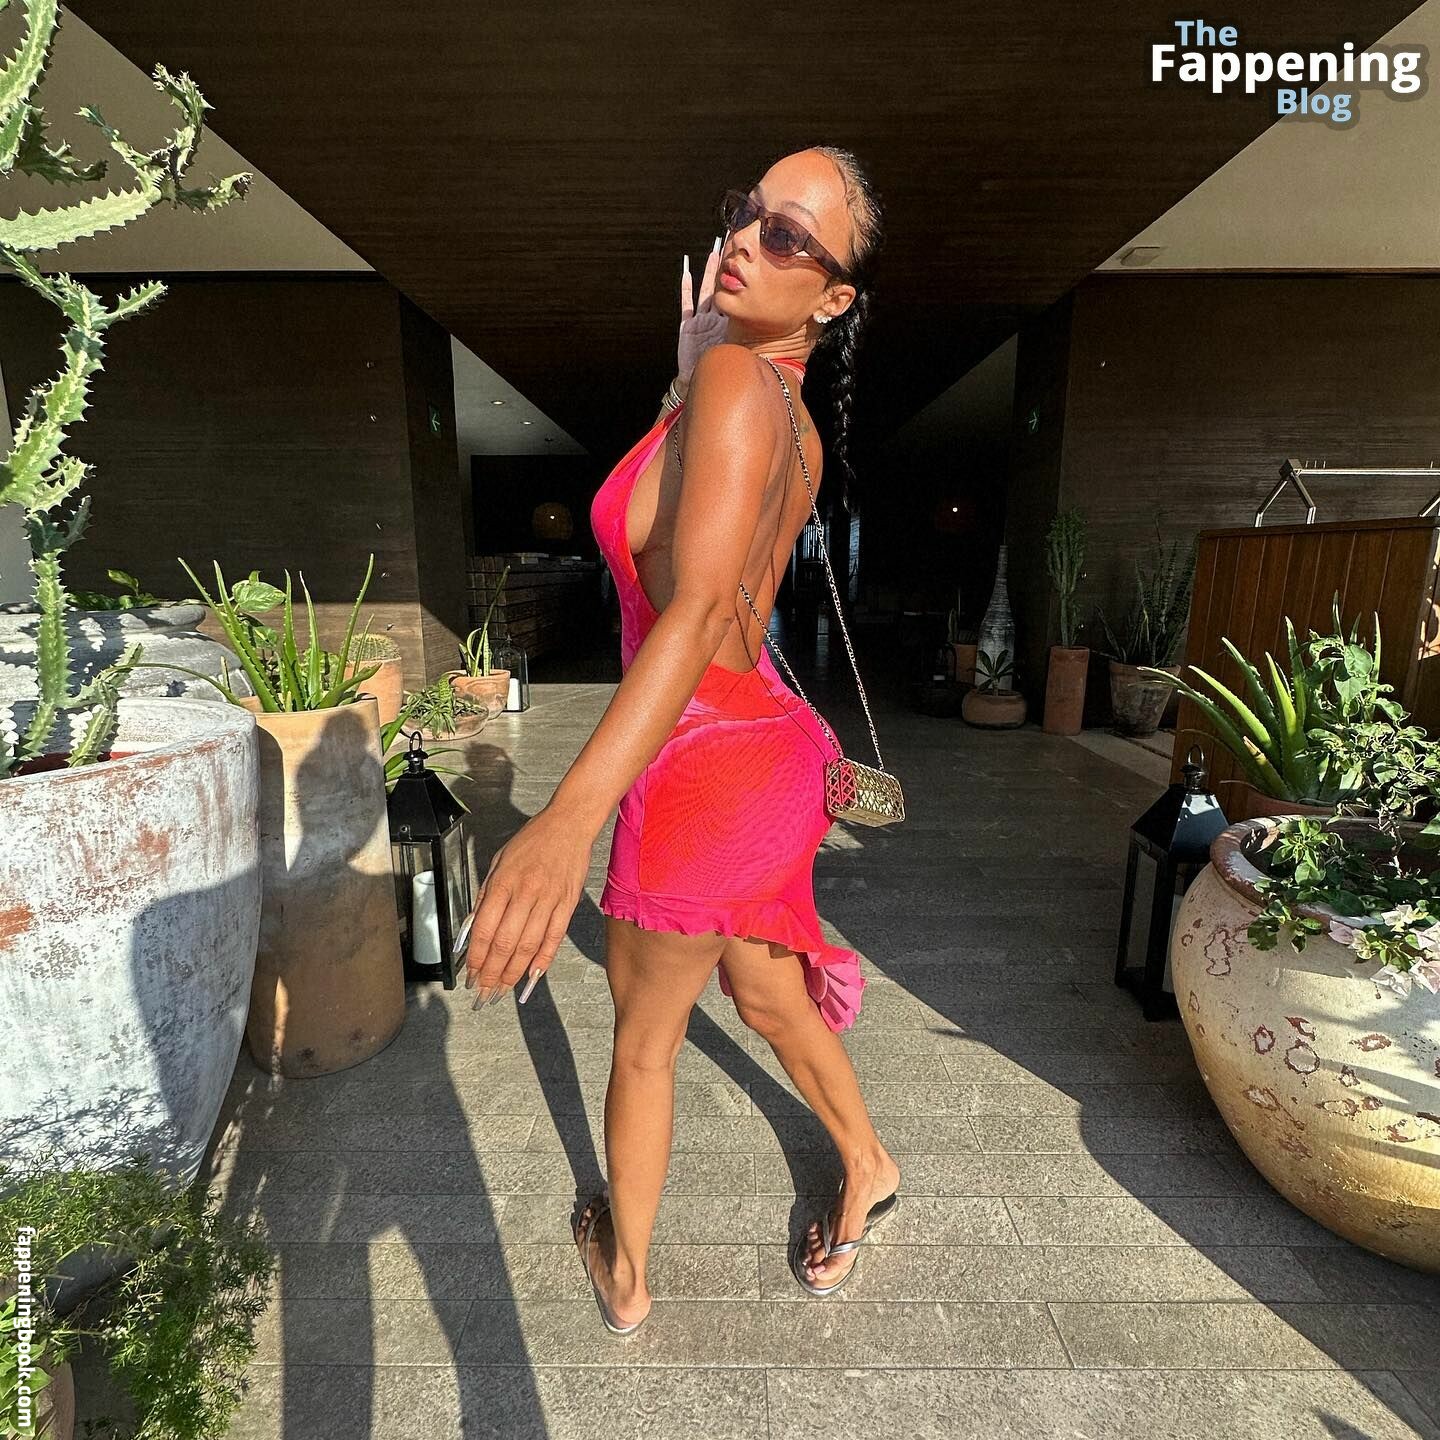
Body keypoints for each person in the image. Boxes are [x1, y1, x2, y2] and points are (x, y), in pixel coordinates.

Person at [459, 145, 900, 1334]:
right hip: (764, 756)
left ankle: (627, 1275)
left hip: (701, 763)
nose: (749, 239)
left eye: (790, 235)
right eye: (748, 214)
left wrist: (567, 820)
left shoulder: (739, 387)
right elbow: (699, 557)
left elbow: (697, 609)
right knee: (765, 993)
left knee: (646, 1043)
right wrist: (690, 372)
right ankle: (868, 1161)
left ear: (833, 296)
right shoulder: (780, 412)